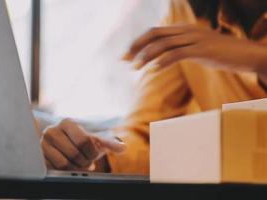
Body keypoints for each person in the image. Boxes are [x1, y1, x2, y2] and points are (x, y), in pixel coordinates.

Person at [40, 0, 267, 174]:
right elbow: (146, 138)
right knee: (37, 126)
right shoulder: (186, 12)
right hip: (222, 177)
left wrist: (257, 59)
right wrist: (92, 155)